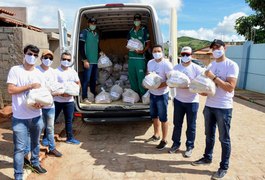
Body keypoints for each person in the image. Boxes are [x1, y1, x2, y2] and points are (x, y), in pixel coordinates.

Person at [192, 39, 239, 180]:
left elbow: (230, 87)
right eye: (213, 48)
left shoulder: (231, 65)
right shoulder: (211, 64)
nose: (216, 50)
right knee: (209, 135)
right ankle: (207, 157)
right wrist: (202, 91)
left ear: (225, 48)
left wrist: (213, 76)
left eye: (218, 47)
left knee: (224, 138)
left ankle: (223, 167)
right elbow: (208, 86)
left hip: (223, 108)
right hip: (209, 105)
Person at [7, 44, 47, 179]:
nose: (32, 57)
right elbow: (11, 90)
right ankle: (18, 175)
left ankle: (35, 163)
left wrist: (41, 104)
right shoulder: (15, 70)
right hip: (20, 117)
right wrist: (29, 85)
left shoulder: (38, 73)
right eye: (30, 54)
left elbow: (41, 93)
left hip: (36, 116)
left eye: (35, 55)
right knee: (19, 148)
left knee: (35, 143)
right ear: (24, 54)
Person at [168, 46, 204, 157]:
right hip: (179, 100)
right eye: (183, 54)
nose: (185, 56)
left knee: (191, 125)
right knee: (177, 124)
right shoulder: (176, 68)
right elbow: (171, 82)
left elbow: (200, 84)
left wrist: (188, 85)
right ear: (180, 54)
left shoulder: (197, 69)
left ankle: (189, 146)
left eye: (187, 54)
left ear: (191, 55)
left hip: (192, 102)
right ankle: (175, 144)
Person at [145, 44, 173, 150]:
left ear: (162, 52)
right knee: (154, 116)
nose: (156, 53)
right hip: (152, 94)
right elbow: (148, 74)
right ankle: (156, 135)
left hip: (162, 95)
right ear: (152, 53)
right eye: (154, 51)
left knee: (163, 118)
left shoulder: (167, 64)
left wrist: (158, 86)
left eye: (158, 51)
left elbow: (170, 80)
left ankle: (164, 140)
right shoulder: (150, 62)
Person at [36, 50, 62, 157]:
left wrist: (58, 92)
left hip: (50, 105)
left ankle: (52, 148)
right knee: (38, 128)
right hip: (38, 106)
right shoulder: (36, 70)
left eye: (50, 58)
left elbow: (55, 86)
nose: (48, 60)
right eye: (46, 57)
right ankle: (35, 149)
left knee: (50, 128)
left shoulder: (53, 72)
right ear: (41, 58)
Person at [54, 51, 81, 145]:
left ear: (71, 61)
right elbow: (52, 86)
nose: (66, 61)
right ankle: (46, 138)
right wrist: (61, 94)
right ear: (60, 59)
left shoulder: (73, 72)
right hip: (57, 100)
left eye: (68, 60)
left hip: (69, 101)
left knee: (69, 120)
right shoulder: (55, 72)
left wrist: (73, 93)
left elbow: (78, 83)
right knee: (52, 120)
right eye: (64, 59)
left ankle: (70, 138)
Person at [127, 13, 151, 97]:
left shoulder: (144, 30)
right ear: (133, 21)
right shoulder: (130, 31)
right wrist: (129, 47)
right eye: (135, 20)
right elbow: (128, 43)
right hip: (131, 58)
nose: (136, 21)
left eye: (138, 20)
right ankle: (135, 96)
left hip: (140, 59)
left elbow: (148, 44)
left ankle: (143, 95)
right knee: (132, 78)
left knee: (141, 78)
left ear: (140, 21)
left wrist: (142, 51)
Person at [79, 17, 100, 103]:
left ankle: (93, 95)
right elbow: (81, 46)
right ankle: (84, 97)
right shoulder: (85, 32)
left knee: (93, 80)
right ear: (88, 23)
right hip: (88, 61)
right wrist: (84, 59)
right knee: (86, 80)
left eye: (94, 24)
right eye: (92, 23)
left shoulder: (96, 34)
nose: (93, 25)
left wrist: (101, 52)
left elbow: (97, 46)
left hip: (95, 61)